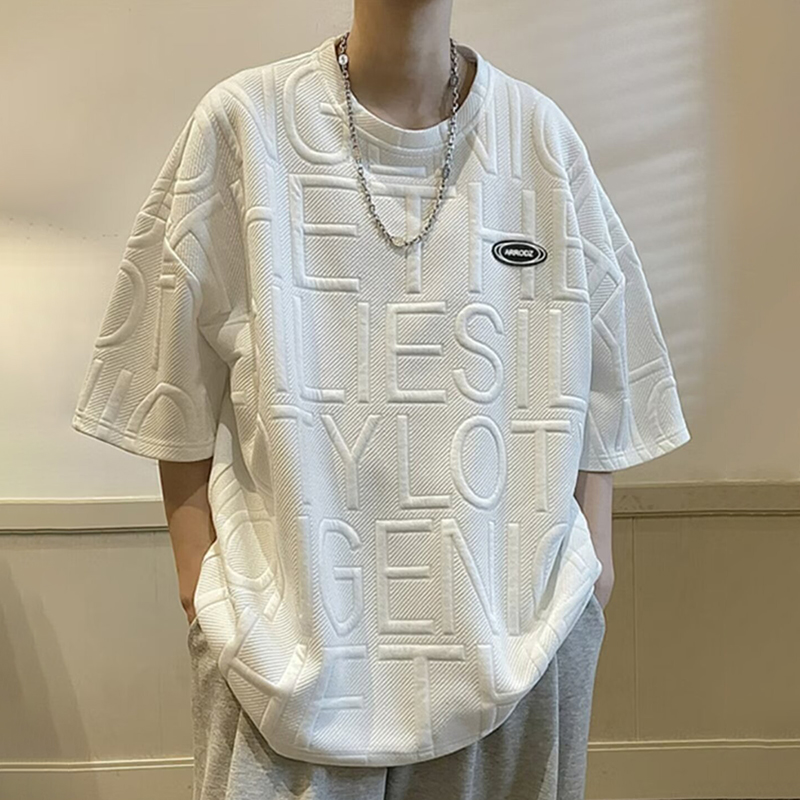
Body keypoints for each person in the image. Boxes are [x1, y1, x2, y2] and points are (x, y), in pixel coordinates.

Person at [71, 1, 691, 798]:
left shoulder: (537, 138)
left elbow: (606, 369)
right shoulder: (244, 125)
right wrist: (202, 587)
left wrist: (590, 576)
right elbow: (167, 371)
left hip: (519, 652)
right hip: (279, 663)